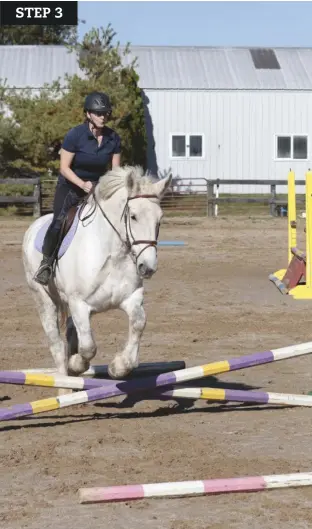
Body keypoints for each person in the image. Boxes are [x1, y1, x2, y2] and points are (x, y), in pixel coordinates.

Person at [34, 91, 121, 286]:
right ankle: (46, 264)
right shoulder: (75, 135)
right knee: (59, 221)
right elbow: (64, 168)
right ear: (88, 114)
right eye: (98, 113)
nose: (103, 116)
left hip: (98, 189)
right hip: (71, 186)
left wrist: (108, 188)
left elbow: (116, 172)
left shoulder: (113, 138)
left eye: (106, 113)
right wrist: (82, 184)